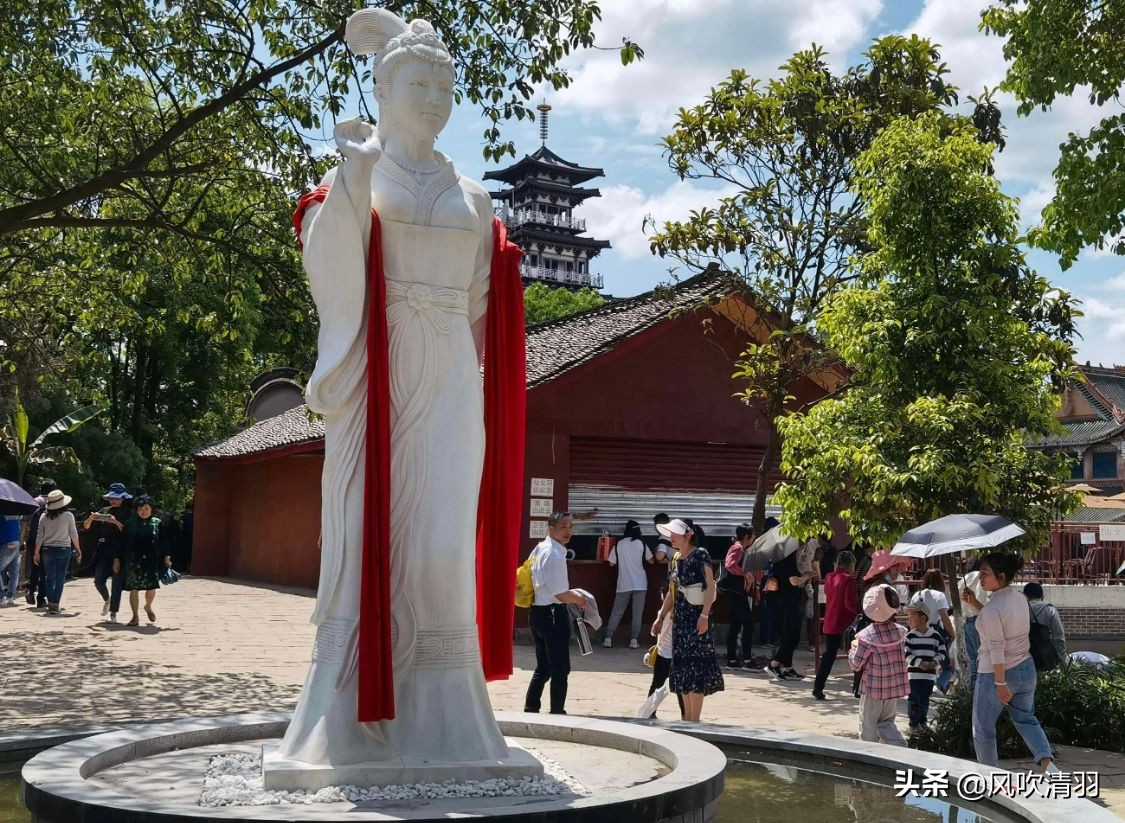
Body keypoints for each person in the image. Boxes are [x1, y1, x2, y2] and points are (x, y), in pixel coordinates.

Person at [278, 6, 528, 768]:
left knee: (444, 543)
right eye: (417, 83)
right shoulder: (352, 172)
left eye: (443, 87)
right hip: (377, 373)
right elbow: (327, 267)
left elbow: (482, 302)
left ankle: (445, 709)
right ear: (383, 89)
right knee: (366, 530)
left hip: (450, 377)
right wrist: (353, 181)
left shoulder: (474, 196)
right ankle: (351, 710)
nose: (432, 98)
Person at [972, 553, 1056, 771]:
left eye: (985, 574)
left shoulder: (993, 609)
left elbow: (997, 646)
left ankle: (989, 775)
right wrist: (975, 604)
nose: (980, 578)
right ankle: (1047, 764)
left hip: (997, 673)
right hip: (1026, 668)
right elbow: (1002, 621)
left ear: (1001, 576)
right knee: (1026, 719)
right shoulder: (1019, 598)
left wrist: (1000, 683)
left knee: (983, 728)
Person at [651, 518, 723, 722]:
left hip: (696, 619)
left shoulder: (701, 554)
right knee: (682, 668)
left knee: (695, 668)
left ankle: (694, 719)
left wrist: (704, 615)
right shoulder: (675, 558)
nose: (671, 537)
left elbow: (710, 585)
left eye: (675, 533)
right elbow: (672, 591)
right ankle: (687, 719)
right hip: (680, 621)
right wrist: (660, 616)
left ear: (688, 534)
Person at [524, 512, 586, 714]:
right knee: (560, 668)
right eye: (563, 527)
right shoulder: (556, 555)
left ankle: (531, 706)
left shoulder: (540, 548)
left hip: (537, 612)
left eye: (570, 526)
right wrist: (580, 600)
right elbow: (560, 594)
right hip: (552, 614)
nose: (568, 531)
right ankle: (557, 711)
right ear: (551, 529)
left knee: (543, 667)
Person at [848, 583, 908, 746]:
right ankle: (900, 746)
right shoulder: (901, 632)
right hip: (893, 688)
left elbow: (856, 664)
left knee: (868, 727)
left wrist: (853, 648)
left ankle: (868, 755)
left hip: (872, 690)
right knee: (887, 723)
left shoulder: (866, 636)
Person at [764, 536, 815, 680]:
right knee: (790, 634)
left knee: (793, 634)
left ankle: (788, 667)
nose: (803, 549)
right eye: (802, 546)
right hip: (786, 600)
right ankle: (774, 664)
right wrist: (807, 576)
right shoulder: (787, 558)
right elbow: (794, 581)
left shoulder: (785, 557)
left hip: (788, 599)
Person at [115, 495, 171, 627]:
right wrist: (117, 559)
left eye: (146, 508)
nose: (143, 511)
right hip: (133, 560)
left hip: (151, 560)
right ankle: (135, 617)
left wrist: (167, 556)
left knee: (151, 587)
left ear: (151, 509)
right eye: (140, 508)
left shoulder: (157, 523)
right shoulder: (130, 523)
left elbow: (164, 541)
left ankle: (148, 606)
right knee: (133, 588)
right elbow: (122, 542)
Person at [812, 550, 858, 699]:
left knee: (828, 656)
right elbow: (850, 604)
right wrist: (859, 611)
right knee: (857, 654)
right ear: (850, 564)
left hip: (830, 620)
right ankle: (857, 687)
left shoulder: (829, 577)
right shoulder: (848, 579)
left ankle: (818, 686)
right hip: (844, 622)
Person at [84, 483, 132, 623]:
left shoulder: (128, 513)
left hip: (119, 550)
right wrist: (91, 518)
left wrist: (115, 522)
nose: (113, 501)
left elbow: (128, 533)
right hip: (104, 549)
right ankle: (107, 599)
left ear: (122, 498)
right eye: (111, 498)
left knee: (116, 583)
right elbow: (86, 527)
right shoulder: (104, 510)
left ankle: (113, 614)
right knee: (98, 580)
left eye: (116, 498)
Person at [603, 519, 654, 649]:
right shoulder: (641, 544)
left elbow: (611, 563)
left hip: (623, 584)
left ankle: (608, 638)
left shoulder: (619, 544)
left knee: (617, 612)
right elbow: (651, 560)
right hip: (640, 584)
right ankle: (634, 640)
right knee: (637, 613)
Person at [33, 489, 82, 614]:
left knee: (49, 577)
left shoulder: (44, 517)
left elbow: (40, 536)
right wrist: (78, 548)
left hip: (47, 550)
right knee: (60, 577)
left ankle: (50, 602)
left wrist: (36, 552)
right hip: (64, 549)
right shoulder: (68, 516)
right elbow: (73, 534)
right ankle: (55, 604)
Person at [909, 568, 957, 691]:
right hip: (934, 633)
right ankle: (939, 685)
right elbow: (945, 619)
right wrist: (954, 635)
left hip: (917, 632)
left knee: (920, 662)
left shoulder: (916, 595)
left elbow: (911, 617)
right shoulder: (940, 596)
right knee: (949, 666)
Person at [905, 604, 947, 730]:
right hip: (913, 676)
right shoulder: (910, 636)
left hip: (929, 676)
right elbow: (906, 654)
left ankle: (922, 722)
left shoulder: (935, 636)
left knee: (924, 699)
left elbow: (942, 652)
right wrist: (919, 663)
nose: (909, 619)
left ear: (923, 618)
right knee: (914, 699)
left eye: (912, 616)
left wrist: (934, 662)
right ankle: (913, 724)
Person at [645, 591, 686, 720]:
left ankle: (649, 712)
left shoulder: (661, 615)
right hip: (676, 655)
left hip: (662, 654)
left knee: (656, 685)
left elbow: (655, 633)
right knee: (680, 689)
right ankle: (685, 714)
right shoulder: (680, 613)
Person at [720, 524, 755, 668]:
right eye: (752, 535)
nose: (754, 538)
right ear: (747, 536)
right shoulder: (738, 547)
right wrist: (745, 573)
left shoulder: (739, 547)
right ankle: (747, 660)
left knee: (735, 626)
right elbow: (730, 565)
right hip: (736, 592)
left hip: (735, 592)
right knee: (748, 625)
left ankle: (732, 660)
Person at [23, 479, 55, 607]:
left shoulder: (34, 501)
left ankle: (30, 589)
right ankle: (41, 598)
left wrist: (23, 539)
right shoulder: (54, 503)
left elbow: (24, 521)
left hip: (33, 538)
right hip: (48, 539)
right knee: (45, 570)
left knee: (35, 565)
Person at [959, 557, 989, 689]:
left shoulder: (964, 579)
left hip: (967, 620)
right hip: (978, 618)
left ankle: (973, 687)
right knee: (980, 658)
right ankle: (979, 686)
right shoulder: (980, 578)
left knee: (972, 658)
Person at [1023, 582, 1066, 669]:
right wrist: (1062, 660)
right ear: (1042, 597)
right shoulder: (1050, 610)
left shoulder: (1018, 610)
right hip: (1045, 657)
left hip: (1023, 658)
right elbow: (1058, 637)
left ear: (1024, 596)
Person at [0, 512, 22, 606]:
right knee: (14, 572)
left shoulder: (2, 515)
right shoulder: (16, 514)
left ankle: (1, 597)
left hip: (6, 543)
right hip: (16, 542)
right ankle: (10, 596)